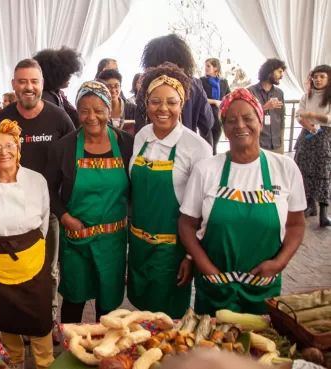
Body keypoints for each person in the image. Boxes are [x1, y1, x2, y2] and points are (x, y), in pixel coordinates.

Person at [179, 88, 306, 316]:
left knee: (262, 344)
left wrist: (279, 263)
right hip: (215, 286)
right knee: (212, 348)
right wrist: (204, 266)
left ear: (260, 119)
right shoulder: (206, 170)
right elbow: (187, 225)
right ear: (224, 129)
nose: (240, 125)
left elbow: (296, 225)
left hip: (263, 288)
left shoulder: (285, 168)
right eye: (231, 120)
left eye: (247, 118)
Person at [0, 58, 74, 344]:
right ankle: (11, 323)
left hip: (47, 209)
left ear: (42, 84)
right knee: (4, 268)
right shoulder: (1, 117)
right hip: (4, 209)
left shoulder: (59, 118)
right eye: (22, 82)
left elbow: (71, 161)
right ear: (14, 85)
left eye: (34, 81)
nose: (28, 87)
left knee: (48, 268)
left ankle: (47, 318)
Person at [128, 63, 212, 318]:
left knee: (169, 319)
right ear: (146, 103)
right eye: (155, 101)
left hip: (172, 251)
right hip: (140, 246)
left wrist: (190, 256)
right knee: (142, 316)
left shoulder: (196, 147)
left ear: (182, 104)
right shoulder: (141, 136)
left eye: (171, 102)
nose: (163, 109)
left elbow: (205, 210)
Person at [45, 81, 133, 323]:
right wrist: (64, 217)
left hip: (112, 243)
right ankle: (71, 352)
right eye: (84, 110)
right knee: (73, 302)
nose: (91, 117)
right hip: (76, 242)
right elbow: (49, 189)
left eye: (98, 110)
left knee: (109, 306)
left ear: (109, 110)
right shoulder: (64, 147)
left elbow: (135, 191)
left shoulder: (126, 145)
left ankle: (105, 353)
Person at [0, 120, 53, 369]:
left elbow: (44, 222)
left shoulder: (36, 180)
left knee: (40, 319)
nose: (3, 152)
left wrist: (28, 246)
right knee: (4, 317)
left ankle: (44, 363)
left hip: (32, 257)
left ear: (19, 149)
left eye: (9, 146)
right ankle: (15, 361)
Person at [134, 34, 214, 144]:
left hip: (152, 154)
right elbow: (207, 125)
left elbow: (140, 129)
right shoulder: (195, 85)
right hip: (187, 152)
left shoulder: (146, 88)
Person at [294, 65, 331, 227]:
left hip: (325, 137)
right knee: (304, 170)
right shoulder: (306, 96)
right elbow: (299, 115)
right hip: (307, 135)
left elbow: (329, 119)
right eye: (315, 77)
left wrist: (313, 116)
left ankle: (324, 212)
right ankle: (309, 206)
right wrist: (309, 125)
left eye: (322, 76)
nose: (318, 79)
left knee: (323, 173)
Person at [33, 46, 84, 128]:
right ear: (55, 75)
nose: (70, 76)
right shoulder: (45, 99)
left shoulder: (57, 93)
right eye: (67, 74)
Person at [247, 58, 287, 153]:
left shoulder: (279, 93)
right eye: (279, 72)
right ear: (269, 72)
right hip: (258, 143)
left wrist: (281, 139)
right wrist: (264, 107)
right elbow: (247, 115)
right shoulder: (250, 91)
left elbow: (281, 117)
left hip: (277, 144)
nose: (281, 76)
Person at [201, 58, 231, 155]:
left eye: (208, 66)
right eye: (205, 66)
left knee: (214, 149)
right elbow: (200, 98)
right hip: (205, 118)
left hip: (218, 119)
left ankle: (213, 169)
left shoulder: (224, 83)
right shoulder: (201, 81)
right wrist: (215, 101)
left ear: (216, 68)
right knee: (208, 147)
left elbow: (229, 98)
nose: (206, 68)